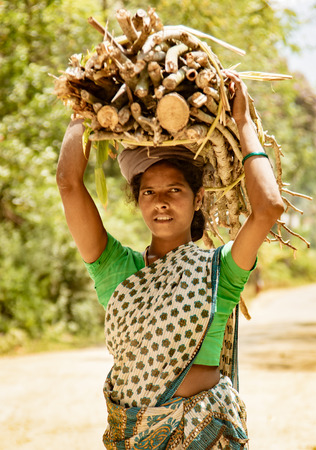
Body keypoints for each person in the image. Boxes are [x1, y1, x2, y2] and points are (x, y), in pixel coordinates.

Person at [56, 70, 284, 449]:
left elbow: (269, 207)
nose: (160, 201)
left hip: (207, 435)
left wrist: (243, 122)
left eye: (175, 190)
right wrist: (85, 107)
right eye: (149, 192)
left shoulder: (220, 271)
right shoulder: (116, 269)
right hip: (136, 436)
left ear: (198, 200)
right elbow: (68, 184)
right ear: (138, 200)